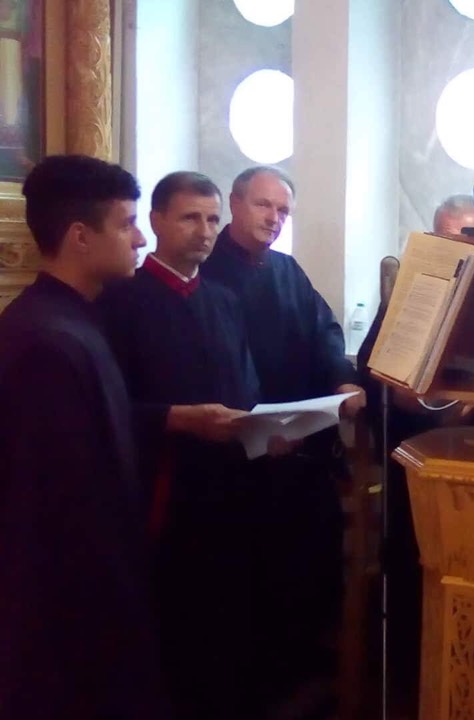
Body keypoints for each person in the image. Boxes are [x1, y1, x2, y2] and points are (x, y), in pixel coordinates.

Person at [0, 155, 166, 718]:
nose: (140, 239)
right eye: (127, 224)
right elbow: (62, 508)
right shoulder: (46, 342)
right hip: (67, 618)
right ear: (79, 236)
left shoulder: (73, 322)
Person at [200, 165, 366, 716]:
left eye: (283, 211)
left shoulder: (287, 270)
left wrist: (341, 379)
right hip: (239, 458)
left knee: (313, 559)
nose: (274, 219)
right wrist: (261, 428)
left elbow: (324, 331)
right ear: (234, 203)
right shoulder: (206, 275)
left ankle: (307, 672)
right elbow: (220, 364)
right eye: (264, 205)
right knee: (252, 577)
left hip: (302, 447)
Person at [98, 171, 264, 719]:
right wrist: (179, 421)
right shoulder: (121, 300)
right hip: (163, 490)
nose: (205, 231)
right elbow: (107, 406)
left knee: (228, 621)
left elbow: (247, 388)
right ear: (156, 221)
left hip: (229, 487)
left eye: (213, 219)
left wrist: (267, 428)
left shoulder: (224, 300)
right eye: (190, 217)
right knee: (172, 626)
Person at [355, 193, 474, 715]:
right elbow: (373, 365)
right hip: (414, 453)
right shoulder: (413, 287)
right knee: (412, 561)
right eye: (447, 237)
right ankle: (410, 678)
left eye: (469, 236)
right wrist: (406, 394)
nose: (459, 247)